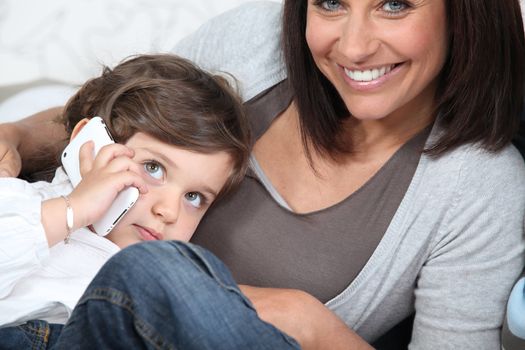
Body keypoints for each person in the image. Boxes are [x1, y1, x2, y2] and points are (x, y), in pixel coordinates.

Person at [0, 0, 524, 348]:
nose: (354, 46)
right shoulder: (258, 41)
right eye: (330, 2)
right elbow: (126, 109)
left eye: (394, 4)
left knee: (153, 269)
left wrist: (313, 326)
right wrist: (18, 138)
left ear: (464, 13)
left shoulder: (480, 189)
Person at [0, 54, 250, 349]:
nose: (168, 211)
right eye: (153, 168)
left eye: (193, 197)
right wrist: (73, 210)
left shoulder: (154, 280)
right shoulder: (21, 203)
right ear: (88, 145)